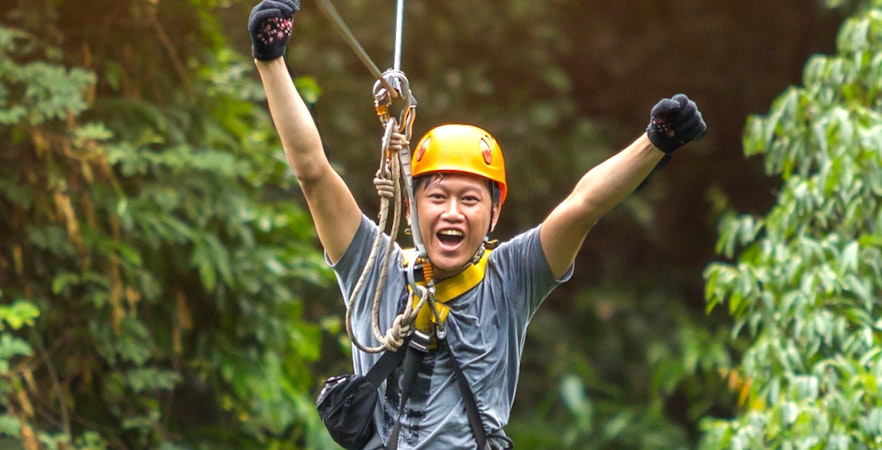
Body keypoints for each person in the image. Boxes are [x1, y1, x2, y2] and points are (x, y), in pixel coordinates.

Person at [248, 1, 707, 449]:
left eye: (469, 200)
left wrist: (654, 144)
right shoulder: (373, 267)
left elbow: (582, 207)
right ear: (409, 207)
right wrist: (271, 60)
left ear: (494, 213)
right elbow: (313, 172)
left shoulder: (512, 277)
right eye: (437, 197)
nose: (453, 212)